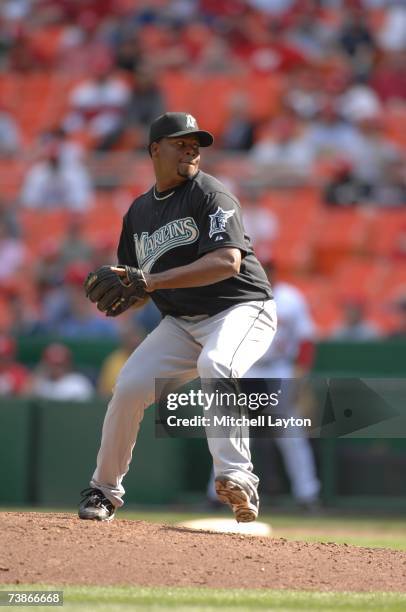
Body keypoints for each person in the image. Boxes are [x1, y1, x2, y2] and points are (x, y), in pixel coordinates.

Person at [78, 112, 277, 523]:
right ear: (155, 149)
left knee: (216, 363)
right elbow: (137, 285)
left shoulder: (211, 194)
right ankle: (103, 491)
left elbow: (227, 261)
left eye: (196, 145)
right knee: (130, 386)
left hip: (241, 308)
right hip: (182, 322)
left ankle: (238, 476)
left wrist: (147, 282)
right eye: (180, 142)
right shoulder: (138, 213)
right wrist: (126, 292)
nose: (191, 149)